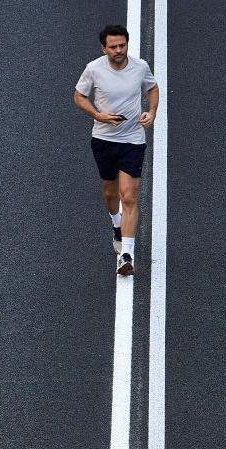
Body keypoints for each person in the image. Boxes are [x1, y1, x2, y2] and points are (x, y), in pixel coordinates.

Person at [73, 23, 160, 276]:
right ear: (104, 48)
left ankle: (126, 255)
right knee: (110, 193)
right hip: (103, 140)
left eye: (122, 45)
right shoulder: (93, 69)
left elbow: (152, 88)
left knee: (129, 195)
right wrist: (98, 115)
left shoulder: (140, 67)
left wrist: (151, 112)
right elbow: (78, 96)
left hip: (133, 139)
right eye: (113, 47)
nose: (119, 50)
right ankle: (116, 226)